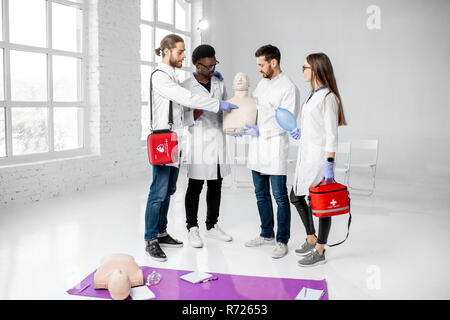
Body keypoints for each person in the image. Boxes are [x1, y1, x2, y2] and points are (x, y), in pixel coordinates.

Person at [144, 34, 239, 262]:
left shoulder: (173, 77)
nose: (183, 55)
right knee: (158, 191)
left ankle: (162, 232)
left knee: (168, 190)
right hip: (163, 139)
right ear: (166, 51)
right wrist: (218, 104)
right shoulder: (160, 77)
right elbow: (186, 97)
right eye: (180, 51)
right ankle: (150, 239)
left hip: (176, 140)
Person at [239, 45, 300, 259]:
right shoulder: (263, 83)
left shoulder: (288, 87)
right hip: (257, 147)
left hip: (274, 149)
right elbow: (253, 108)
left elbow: (287, 122)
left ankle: (282, 240)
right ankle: (266, 234)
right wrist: (241, 125)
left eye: (261, 64)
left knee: (280, 197)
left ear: (273, 62)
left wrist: (261, 129)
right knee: (260, 194)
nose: (258, 69)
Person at [289, 52, 347, 267]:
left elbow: (332, 134)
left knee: (320, 203)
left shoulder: (328, 97)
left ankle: (320, 251)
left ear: (316, 69)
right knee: (296, 196)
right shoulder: (312, 95)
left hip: (319, 161)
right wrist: (300, 133)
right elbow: (316, 129)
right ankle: (311, 238)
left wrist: (329, 166)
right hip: (306, 157)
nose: (301, 71)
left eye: (304, 67)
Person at [181, 44, 233, 248]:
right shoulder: (185, 86)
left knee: (216, 184)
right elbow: (183, 118)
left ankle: (211, 226)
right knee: (195, 185)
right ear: (197, 65)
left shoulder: (219, 82)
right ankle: (192, 228)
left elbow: (226, 107)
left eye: (214, 65)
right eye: (209, 66)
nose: (212, 69)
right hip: (198, 140)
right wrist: (203, 106)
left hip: (217, 139)